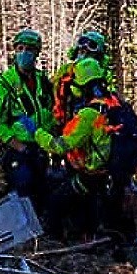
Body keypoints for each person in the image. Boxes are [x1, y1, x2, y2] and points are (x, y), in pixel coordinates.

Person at [38, 56, 125, 238]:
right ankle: (87, 235)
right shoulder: (112, 105)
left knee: (55, 203)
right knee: (87, 211)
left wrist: (37, 133)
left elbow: (60, 146)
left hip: (91, 177)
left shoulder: (88, 115)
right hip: (107, 175)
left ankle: (54, 243)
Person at [0, 28, 56, 206]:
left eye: (29, 49)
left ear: (36, 53)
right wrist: (20, 147)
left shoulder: (44, 82)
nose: (24, 53)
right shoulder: (4, 84)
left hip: (41, 149)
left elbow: (51, 113)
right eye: (20, 48)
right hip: (17, 150)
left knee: (43, 193)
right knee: (23, 190)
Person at [51, 29, 110, 124]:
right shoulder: (65, 71)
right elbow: (53, 90)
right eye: (82, 46)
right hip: (63, 121)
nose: (84, 49)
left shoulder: (102, 75)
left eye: (91, 46)